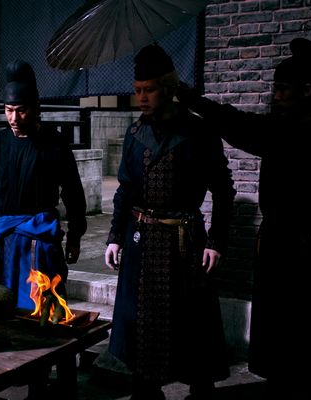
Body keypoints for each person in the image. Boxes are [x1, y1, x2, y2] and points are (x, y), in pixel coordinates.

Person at [176, 37, 311, 400]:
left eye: (283, 89)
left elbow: (236, 123)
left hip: (297, 244)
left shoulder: (291, 131)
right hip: (280, 240)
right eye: (275, 88)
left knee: (293, 327)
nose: (276, 96)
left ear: (308, 90)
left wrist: (191, 98)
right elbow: (237, 123)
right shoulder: (285, 127)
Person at [104, 44, 236, 400]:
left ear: (168, 88)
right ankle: (147, 391)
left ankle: (200, 389)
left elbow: (223, 190)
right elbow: (125, 190)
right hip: (142, 243)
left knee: (193, 322)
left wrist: (216, 242)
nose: (141, 98)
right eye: (137, 90)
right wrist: (114, 236)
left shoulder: (198, 131)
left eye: (149, 90)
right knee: (142, 323)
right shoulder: (135, 134)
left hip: (185, 242)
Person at [0, 60, 87, 311]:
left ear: (35, 108)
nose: (14, 118)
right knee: (0, 306)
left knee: (42, 307)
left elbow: (73, 192)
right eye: (8, 110)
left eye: (21, 110)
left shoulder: (54, 143)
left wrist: (75, 235)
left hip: (39, 239)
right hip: (3, 241)